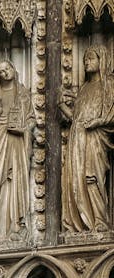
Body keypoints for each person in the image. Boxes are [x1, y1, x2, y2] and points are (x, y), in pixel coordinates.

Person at [0, 60, 35, 243]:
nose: (4, 73)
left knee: (12, 182)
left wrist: (23, 128)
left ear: (13, 69)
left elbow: (32, 120)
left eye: (7, 69)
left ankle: (14, 227)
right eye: (0, 71)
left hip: (16, 143)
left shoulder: (23, 95)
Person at [59, 45, 114, 233]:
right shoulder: (83, 89)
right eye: (84, 60)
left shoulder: (108, 85)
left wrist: (97, 122)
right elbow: (76, 117)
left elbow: (111, 115)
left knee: (93, 177)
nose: (86, 62)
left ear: (102, 60)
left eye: (91, 58)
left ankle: (99, 220)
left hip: (95, 138)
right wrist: (61, 106)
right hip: (78, 138)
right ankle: (79, 223)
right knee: (77, 178)